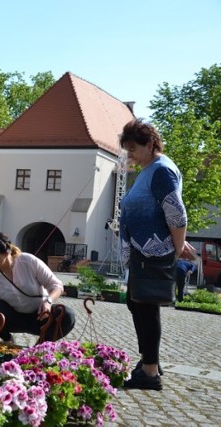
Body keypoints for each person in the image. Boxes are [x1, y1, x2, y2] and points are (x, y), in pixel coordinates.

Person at [119, 118, 193, 391]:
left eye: (133, 149)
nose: (130, 155)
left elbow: (176, 213)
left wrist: (178, 246)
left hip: (153, 250)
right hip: (143, 250)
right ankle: (149, 360)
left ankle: (150, 373)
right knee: (136, 303)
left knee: (146, 306)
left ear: (150, 144)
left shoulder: (162, 170)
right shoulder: (149, 169)